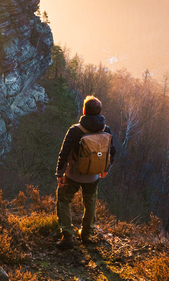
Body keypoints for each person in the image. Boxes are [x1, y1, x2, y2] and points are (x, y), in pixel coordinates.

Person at [55, 95, 116, 249]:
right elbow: (111, 151)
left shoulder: (76, 130)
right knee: (90, 204)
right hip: (93, 176)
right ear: (100, 112)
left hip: (73, 175)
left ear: (84, 110)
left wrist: (60, 174)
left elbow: (64, 153)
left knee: (64, 200)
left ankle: (68, 235)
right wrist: (105, 169)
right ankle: (86, 235)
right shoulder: (106, 130)